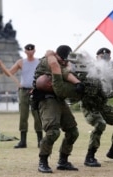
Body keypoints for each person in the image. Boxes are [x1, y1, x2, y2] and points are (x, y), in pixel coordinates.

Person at [33, 45, 84, 173]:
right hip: (47, 99)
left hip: (59, 99)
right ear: (56, 54)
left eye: (66, 60)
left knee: (73, 132)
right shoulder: (48, 60)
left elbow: (66, 71)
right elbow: (62, 71)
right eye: (63, 59)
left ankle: (63, 161)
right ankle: (43, 161)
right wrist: (77, 82)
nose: (64, 62)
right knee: (53, 132)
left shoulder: (63, 62)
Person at [82, 47, 113, 167]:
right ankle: (90, 156)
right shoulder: (89, 69)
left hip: (103, 105)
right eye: (102, 57)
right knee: (100, 124)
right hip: (89, 105)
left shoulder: (111, 71)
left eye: (107, 57)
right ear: (97, 57)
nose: (104, 59)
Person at [0, 44, 42, 148]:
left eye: (32, 50)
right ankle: (23, 141)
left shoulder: (39, 62)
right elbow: (9, 73)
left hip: (35, 90)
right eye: (28, 50)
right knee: (23, 116)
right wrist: (1, 66)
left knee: (37, 115)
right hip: (24, 90)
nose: (30, 52)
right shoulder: (21, 62)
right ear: (25, 51)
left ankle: (40, 140)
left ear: (34, 51)